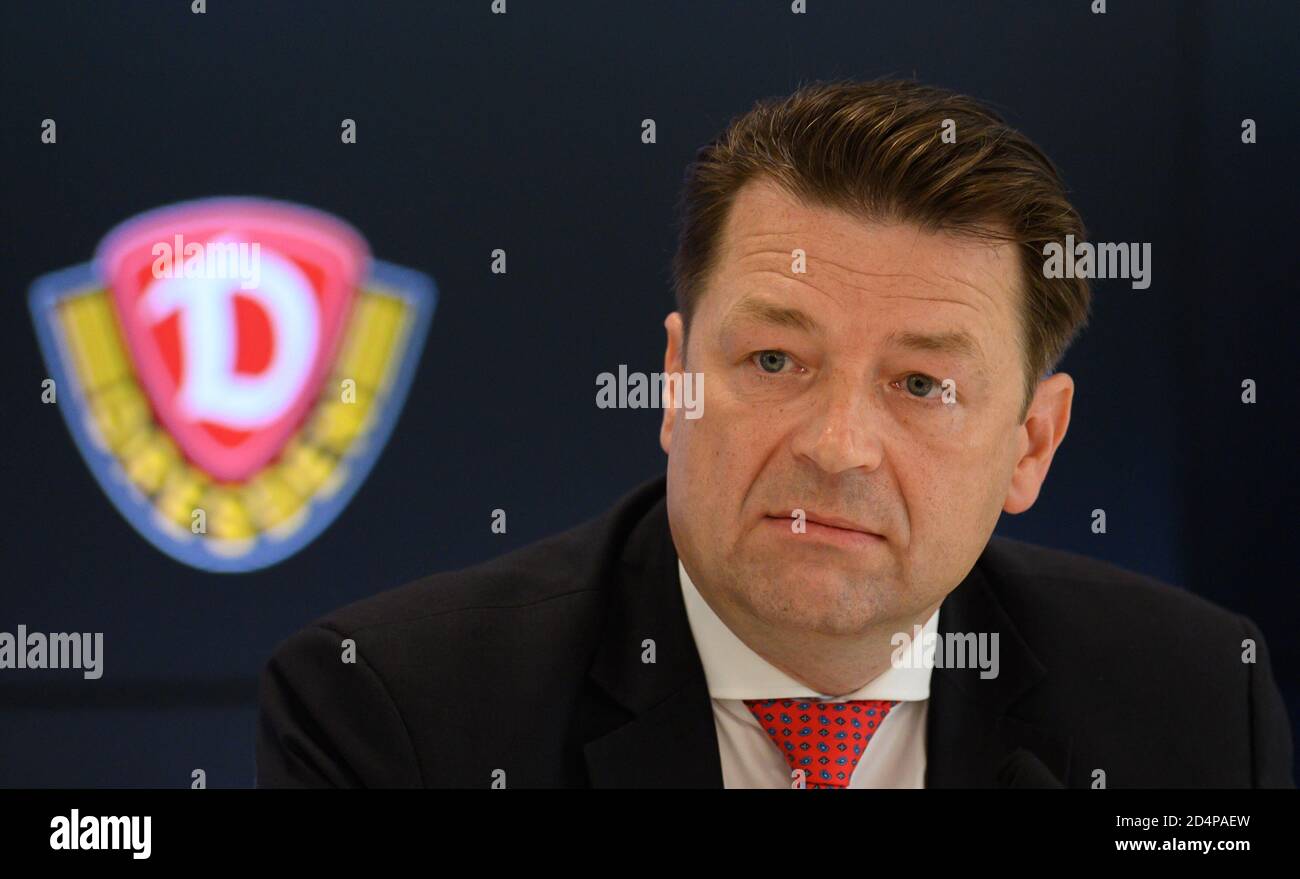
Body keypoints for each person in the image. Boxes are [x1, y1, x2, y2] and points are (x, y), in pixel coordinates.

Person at [256, 78, 1293, 788]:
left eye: (922, 382)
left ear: (1030, 444)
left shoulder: (1191, 702)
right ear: (673, 380)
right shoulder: (397, 718)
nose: (836, 445)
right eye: (773, 363)